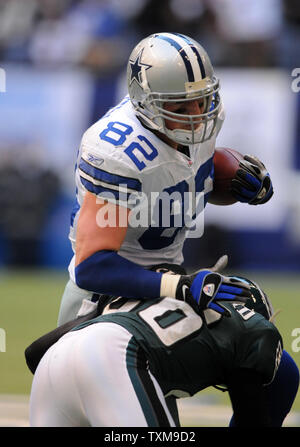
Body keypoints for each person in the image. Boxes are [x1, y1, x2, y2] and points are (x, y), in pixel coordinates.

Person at [57, 32, 274, 327]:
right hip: (106, 297)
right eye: (181, 108)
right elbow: (93, 267)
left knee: (263, 344)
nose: (196, 117)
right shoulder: (118, 150)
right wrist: (179, 286)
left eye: (201, 100)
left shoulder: (200, 121)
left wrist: (233, 180)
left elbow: (180, 185)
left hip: (170, 283)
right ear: (146, 104)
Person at [28, 271, 283, 427]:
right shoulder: (254, 330)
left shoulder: (155, 295)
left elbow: (34, 353)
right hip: (115, 356)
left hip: (54, 362)